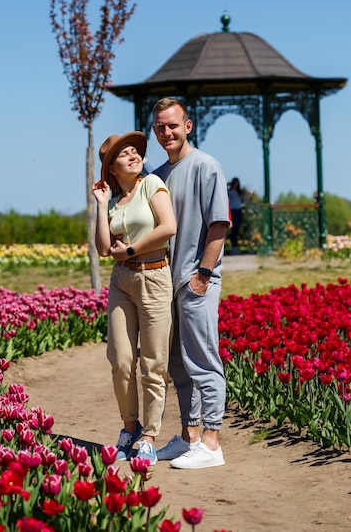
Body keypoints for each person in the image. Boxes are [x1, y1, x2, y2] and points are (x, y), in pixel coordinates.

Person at [152, 97, 230, 470]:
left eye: (172, 125)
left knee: (203, 362)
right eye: (160, 127)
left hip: (195, 279)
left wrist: (203, 274)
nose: (166, 132)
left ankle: (212, 443)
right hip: (167, 283)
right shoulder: (160, 175)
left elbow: (219, 224)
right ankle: (189, 438)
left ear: (188, 126)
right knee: (178, 366)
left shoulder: (206, 167)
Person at [92, 131, 176, 466]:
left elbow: (168, 226)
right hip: (121, 282)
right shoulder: (113, 202)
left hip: (154, 276)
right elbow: (102, 248)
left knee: (154, 363)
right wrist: (100, 206)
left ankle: (149, 436)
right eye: (123, 154)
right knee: (121, 359)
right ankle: (129, 428)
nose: (132, 155)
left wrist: (130, 248)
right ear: (112, 168)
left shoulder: (152, 184)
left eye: (134, 150)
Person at [227, 177, 244, 254]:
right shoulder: (229, 192)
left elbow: (242, 200)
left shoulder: (239, 192)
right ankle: (233, 246)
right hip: (233, 210)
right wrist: (228, 185)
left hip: (239, 210)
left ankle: (235, 245)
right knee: (234, 228)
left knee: (238, 228)